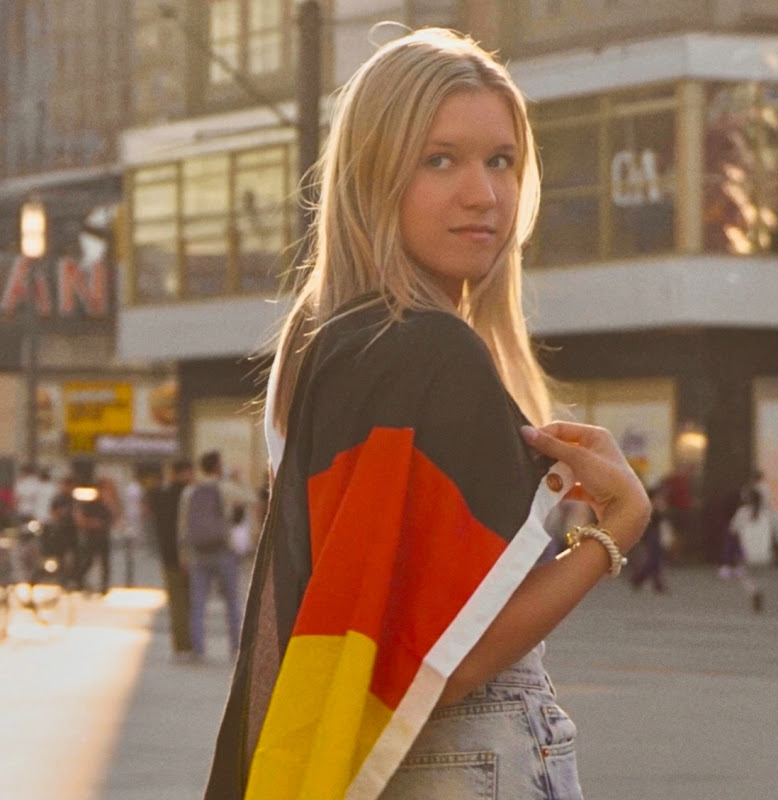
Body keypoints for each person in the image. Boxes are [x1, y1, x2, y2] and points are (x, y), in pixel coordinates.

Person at [203, 29, 650, 800]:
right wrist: (617, 529)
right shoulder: (427, 349)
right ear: (374, 176)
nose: (484, 194)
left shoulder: (326, 341)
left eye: (501, 161)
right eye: (440, 160)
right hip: (470, 754)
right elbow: (449, 653)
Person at [178, 450, 254, 663]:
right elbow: (251, 499)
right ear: (218, 467)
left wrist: (184, 556)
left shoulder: (190, 491)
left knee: (197, 604)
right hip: (223, 551)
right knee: (232, 602)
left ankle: (198, 649)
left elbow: (182, 526)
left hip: (198, 553)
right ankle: (236, 648)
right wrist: (240, 479)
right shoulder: (225, 488)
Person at [153, 458, 194, 661]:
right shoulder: (188, 495)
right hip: (186, 556)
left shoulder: (161, 495)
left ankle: (181, 644)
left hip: (168, 555)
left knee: (177, 602)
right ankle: (188, 643)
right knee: (187, 601)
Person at [719, 486, 766, 612]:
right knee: (758, 573)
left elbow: (733, 529)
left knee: (745, 574)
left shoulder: (742, 512)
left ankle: (754, 591)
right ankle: (758, 589)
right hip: (763, 549)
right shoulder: (764, 512)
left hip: (747, 548)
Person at [629, 482, 670, 593]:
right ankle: (640, 579)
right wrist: (659, 509)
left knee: (656, 559)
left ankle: (650, 581)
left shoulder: (657, 503)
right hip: (650, 533)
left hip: (655, 532)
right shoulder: (649, 505)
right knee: (653, 558)